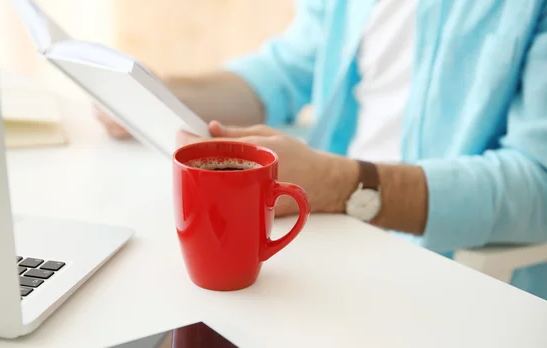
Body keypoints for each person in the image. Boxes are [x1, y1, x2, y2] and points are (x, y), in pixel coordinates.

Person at [97, 0, 547, 298]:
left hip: (454, 276)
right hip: (332, 239)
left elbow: (538, 184)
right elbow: (287, 68)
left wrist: (339, 185)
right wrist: (164, 93)